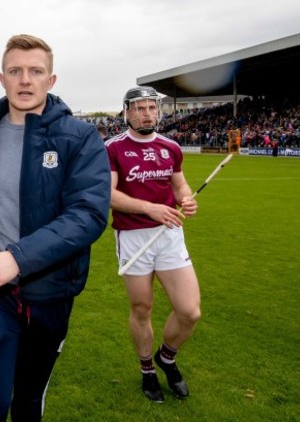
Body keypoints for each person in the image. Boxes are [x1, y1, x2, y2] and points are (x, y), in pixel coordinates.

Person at [0, 34, 111, 421]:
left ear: (52, 80)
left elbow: (88, 214)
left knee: (28, 401)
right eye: (15, 71)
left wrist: (16, 258)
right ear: (1, 78)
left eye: (35, 71)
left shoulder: (79, 138)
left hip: (50, 291)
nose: (25, 80)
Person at [104, 86, 201, 403]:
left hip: (170, 234)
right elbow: (109, 194)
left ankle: (167, 357)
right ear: (127, 112)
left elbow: (179, 183)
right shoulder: (113, 148)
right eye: (141, 108)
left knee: (189, 312)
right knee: (142, 308)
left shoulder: (171, 147)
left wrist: (185, 199)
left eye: (152, 108)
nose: (148, 114)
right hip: (133, 237)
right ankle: (147, 370)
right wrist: (149, 208)